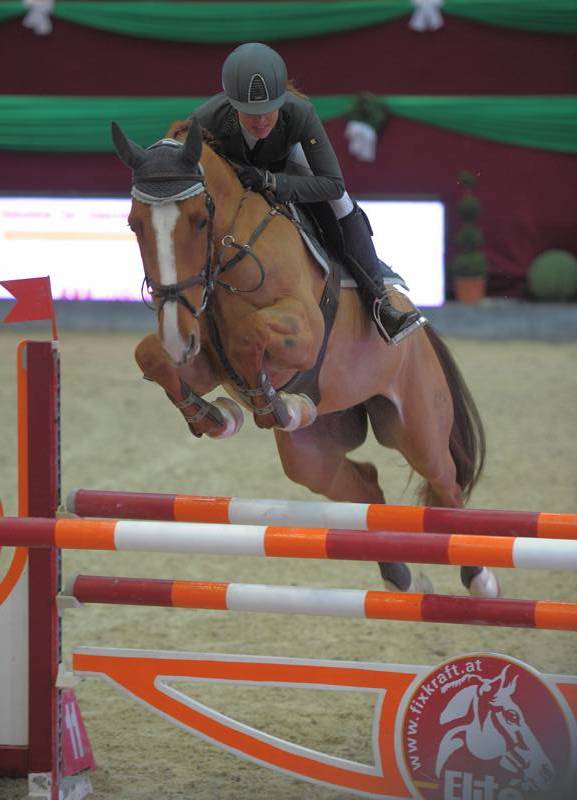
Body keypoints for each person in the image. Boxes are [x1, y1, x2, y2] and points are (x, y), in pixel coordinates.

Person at [187, 42, 424, 344]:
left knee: (341, 202)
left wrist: (271, 181)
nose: (260, 120)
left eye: (268, 110)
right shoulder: (205, 119)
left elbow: (332, 184)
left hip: (286, 167)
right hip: (232, 183)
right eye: (250, 113)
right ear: (233, 104)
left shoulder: (299, 112)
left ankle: (380, 303)